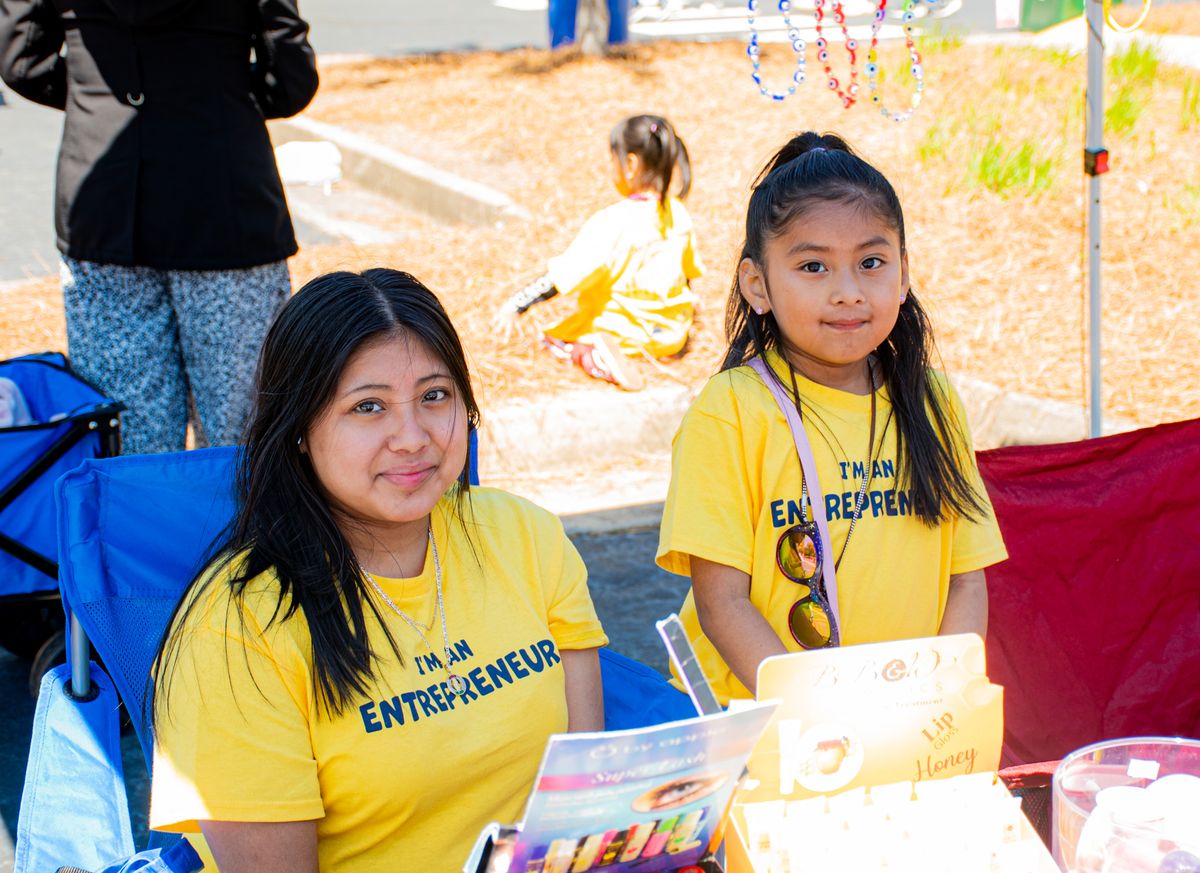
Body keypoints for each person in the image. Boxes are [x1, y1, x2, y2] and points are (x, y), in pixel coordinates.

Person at [149, 269, 607, 871]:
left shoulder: (524, 535)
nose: (412, 437)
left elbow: (588, 799)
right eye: (368, 407)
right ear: (299, 433)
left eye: (434, 396)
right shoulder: (235, 633)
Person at [655, 132, 1008, 706]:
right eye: (814, 266)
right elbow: (722, 604)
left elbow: (965, 578)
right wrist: (818, 717)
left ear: (904, 273)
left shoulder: (933, 400)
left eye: (871, 262)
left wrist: (941, 698)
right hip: (768, 725)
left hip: (907, 723)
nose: (848, 292)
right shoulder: (732, 411)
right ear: (757, 285)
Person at [0, 0, 318, 454]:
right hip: (223, 191)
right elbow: (291, 79)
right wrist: (218, 95)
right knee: (244, 432)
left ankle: (143, 526)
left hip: (103, 195)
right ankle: (246, 525)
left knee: (132, 437)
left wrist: (96, 99)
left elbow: (21, 60)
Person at [495, 114, 704, 391]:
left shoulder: (613, 221)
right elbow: (688, 274)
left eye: (612, 160)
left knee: (552, 340)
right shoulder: (678, 213)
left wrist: (516, 304)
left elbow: (564, 276)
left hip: (626, 334)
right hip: (670, 335)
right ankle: (654, 352)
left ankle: (597, 359)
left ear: (630, 164)